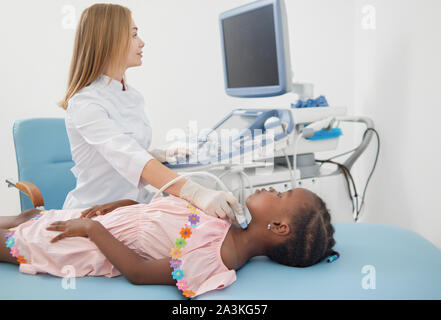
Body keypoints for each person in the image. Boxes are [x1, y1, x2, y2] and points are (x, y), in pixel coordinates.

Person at [57, 3, 240, 221]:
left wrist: (160, 155)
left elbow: (122, 153)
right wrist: (197, 194)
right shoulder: (86, 104)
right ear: (109, 40)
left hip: (132, 206)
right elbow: (129, 158)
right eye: (134, 35)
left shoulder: (130, 95)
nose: (142, 42)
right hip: (96, 216)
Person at [0, 187, 339, 298]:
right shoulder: (225, 220)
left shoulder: (215, 257)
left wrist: (92, 231)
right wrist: (125, 206)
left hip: (82, 244)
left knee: (22, 236)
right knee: (29, 217)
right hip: (98, 221)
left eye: (280, 194)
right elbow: (162, 218)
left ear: (279, 227)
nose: (270, 189)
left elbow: (140, 271)